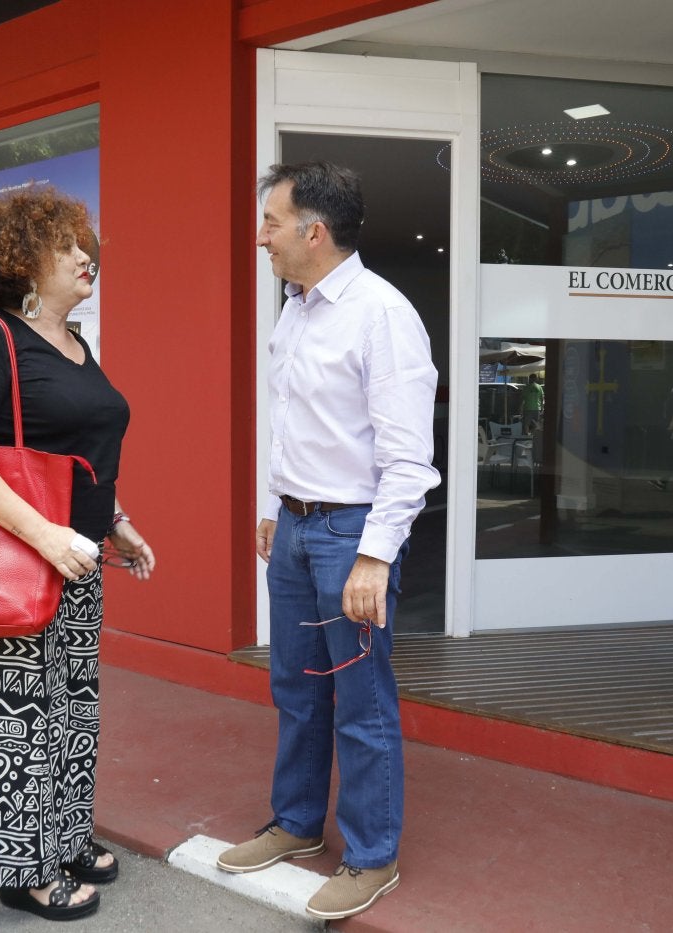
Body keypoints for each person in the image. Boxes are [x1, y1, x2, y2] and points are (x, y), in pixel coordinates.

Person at [215, 161, 439, 921]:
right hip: (297, 525)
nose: (261, 237)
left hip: (351, 532)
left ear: (314, 231)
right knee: (298, 687)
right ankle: (297, 822)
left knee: (360, 700)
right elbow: (295, 420)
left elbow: (408, 459)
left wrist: (375, 555)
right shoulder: (298, 310)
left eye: (271, 222)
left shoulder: (382, 315)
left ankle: (371, 855)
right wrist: (274, 503)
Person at [0, 185, 156, 921]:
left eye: (85, 244)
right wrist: (46, 535)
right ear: (21, 259)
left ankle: (62, 836)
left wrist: (114, 520)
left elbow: (74, 453)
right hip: (14, 561)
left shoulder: (76, 346)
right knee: (11, 719)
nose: (85, 256)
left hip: (76, 560)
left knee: (70, 709)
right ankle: (19, 868)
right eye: (65, 245)